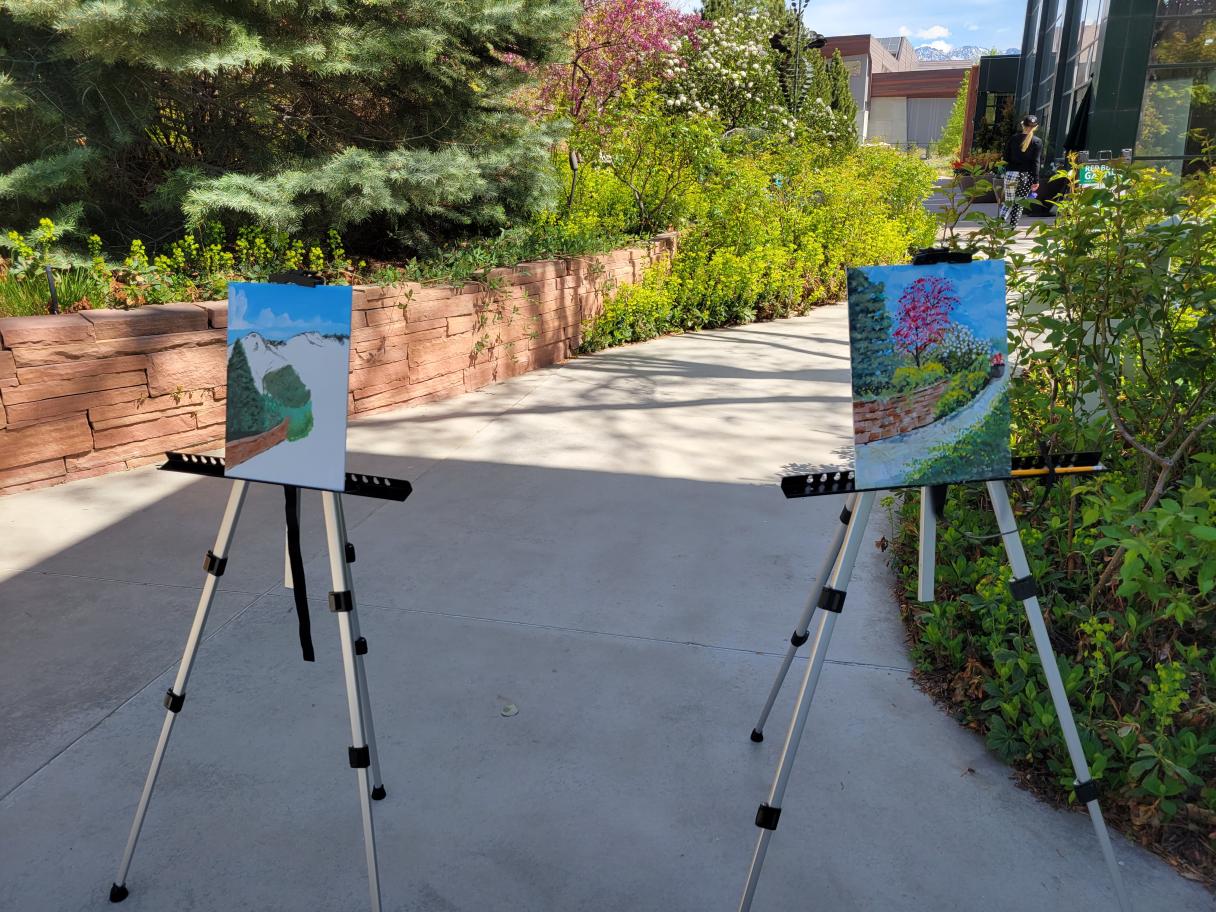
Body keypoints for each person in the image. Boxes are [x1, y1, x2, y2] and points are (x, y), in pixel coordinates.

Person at [1001, 114, 1043, 227]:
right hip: (1025, 176)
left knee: (1008, 201)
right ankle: (1012, 228)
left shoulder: (1013, 139)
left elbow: (1006, 157)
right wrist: (1036, 180)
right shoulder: (1037, 141)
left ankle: (998, 224)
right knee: (1019, 203)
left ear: (1022, 125)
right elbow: (1036, 162)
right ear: (1036, 127)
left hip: (1011, 174)